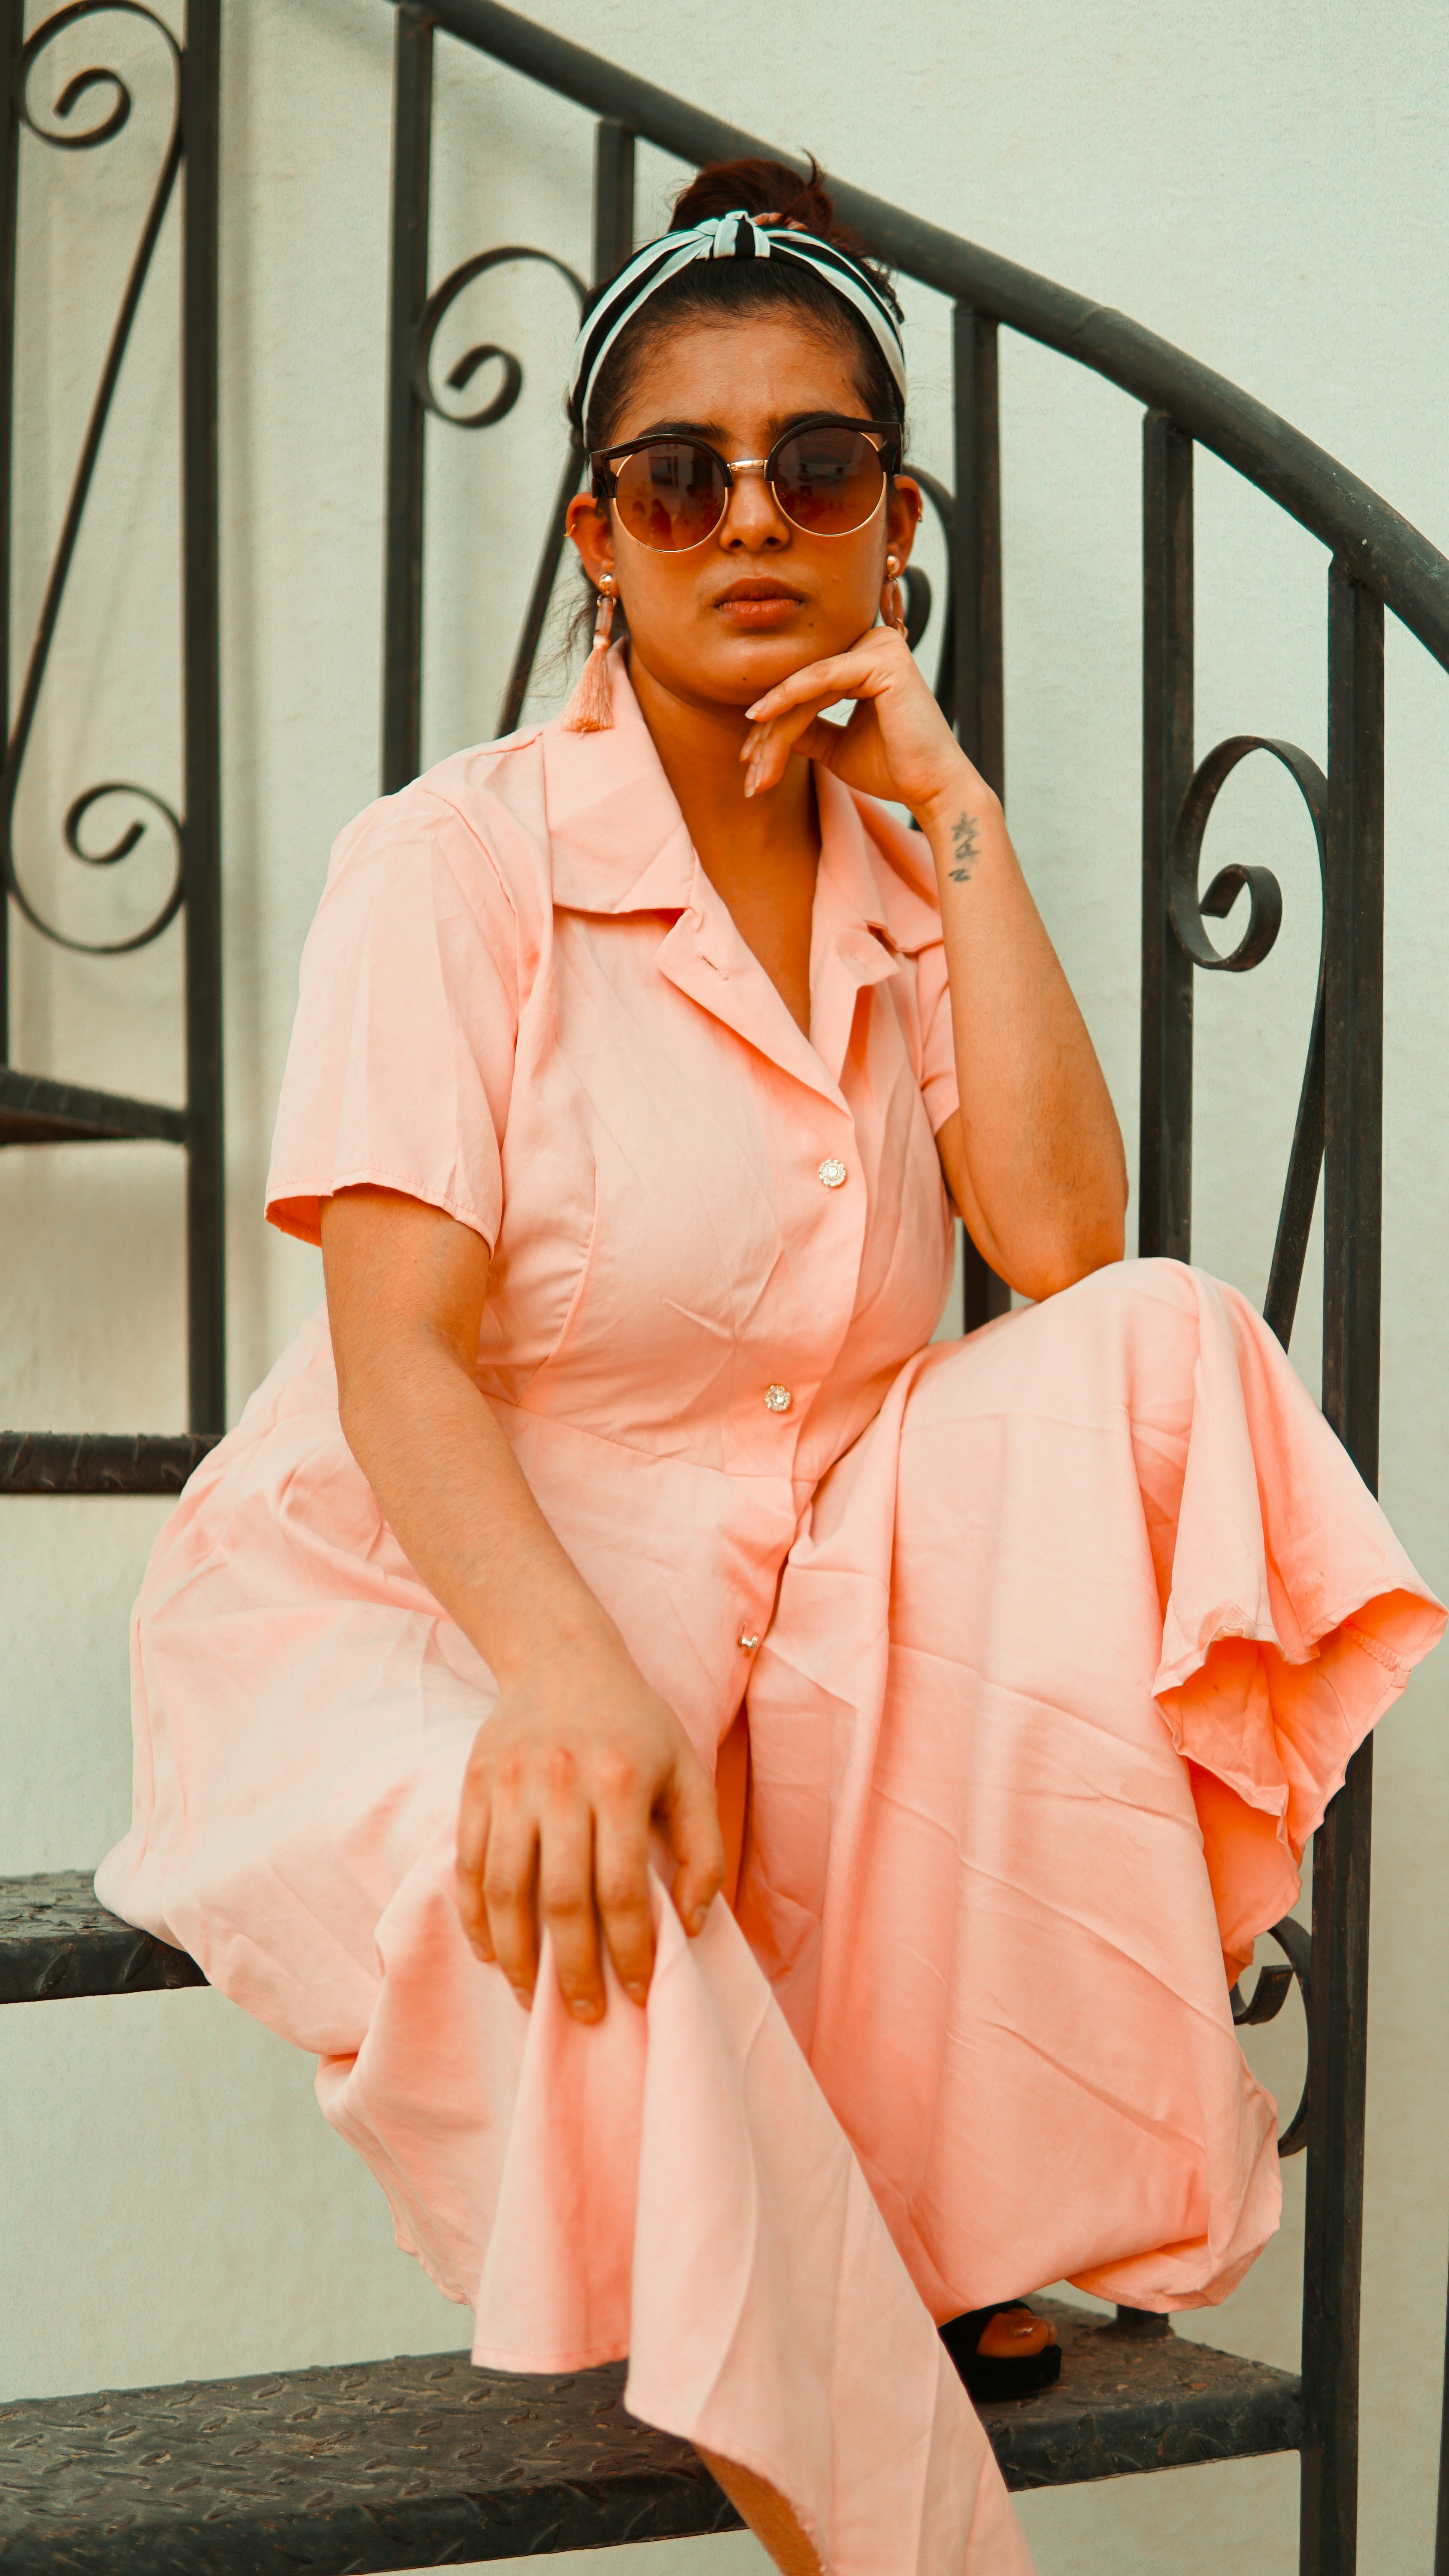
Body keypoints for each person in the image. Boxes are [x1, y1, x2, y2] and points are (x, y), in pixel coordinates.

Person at [97, 159, 1443, 2576]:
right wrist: (566, 1679)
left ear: (893, 522)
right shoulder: (457, 858)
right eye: (676, 475)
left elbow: (1063, 1244)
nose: (753, 516)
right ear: (598, 542)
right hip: (434, 1591)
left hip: (795, 1588)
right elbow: (395, 1352)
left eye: (817, 466)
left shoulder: (897, 864)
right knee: (585, 1887)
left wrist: (961, 820)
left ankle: (937, 2192)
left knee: (1160, 1345)